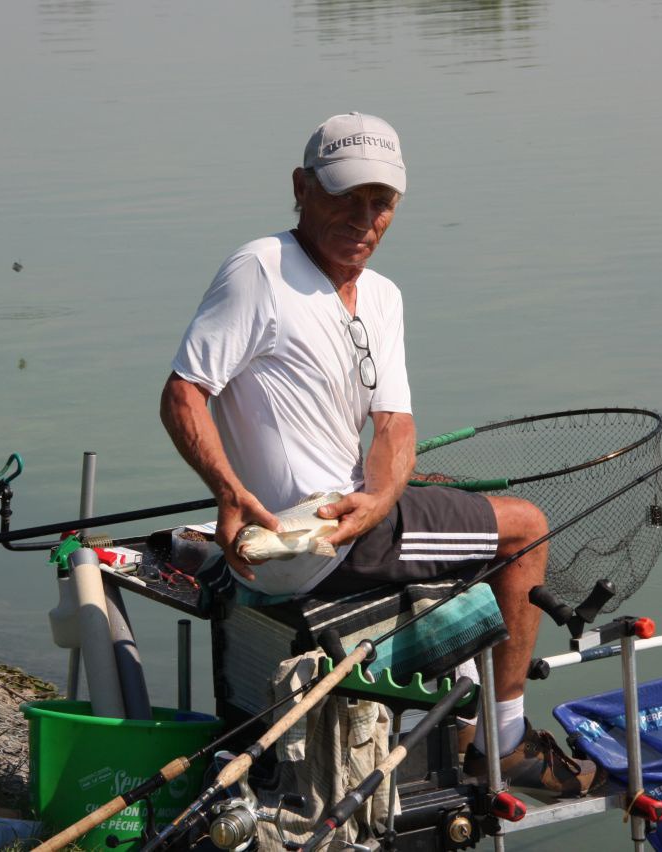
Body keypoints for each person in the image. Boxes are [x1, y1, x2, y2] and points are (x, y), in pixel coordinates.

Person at [160, 112, 602, 797]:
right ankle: (503, 744)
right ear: (301, 187)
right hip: (311, 548)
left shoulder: (383, 297)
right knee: (527, 526)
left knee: (431, 487)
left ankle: (454, 706)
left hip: (338, 528)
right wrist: (226, 491)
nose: (364, 220)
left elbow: (395, 429)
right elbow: (184, 394)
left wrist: (384, 492)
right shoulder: (262, 269)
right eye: (345, 198)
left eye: (381, 203)